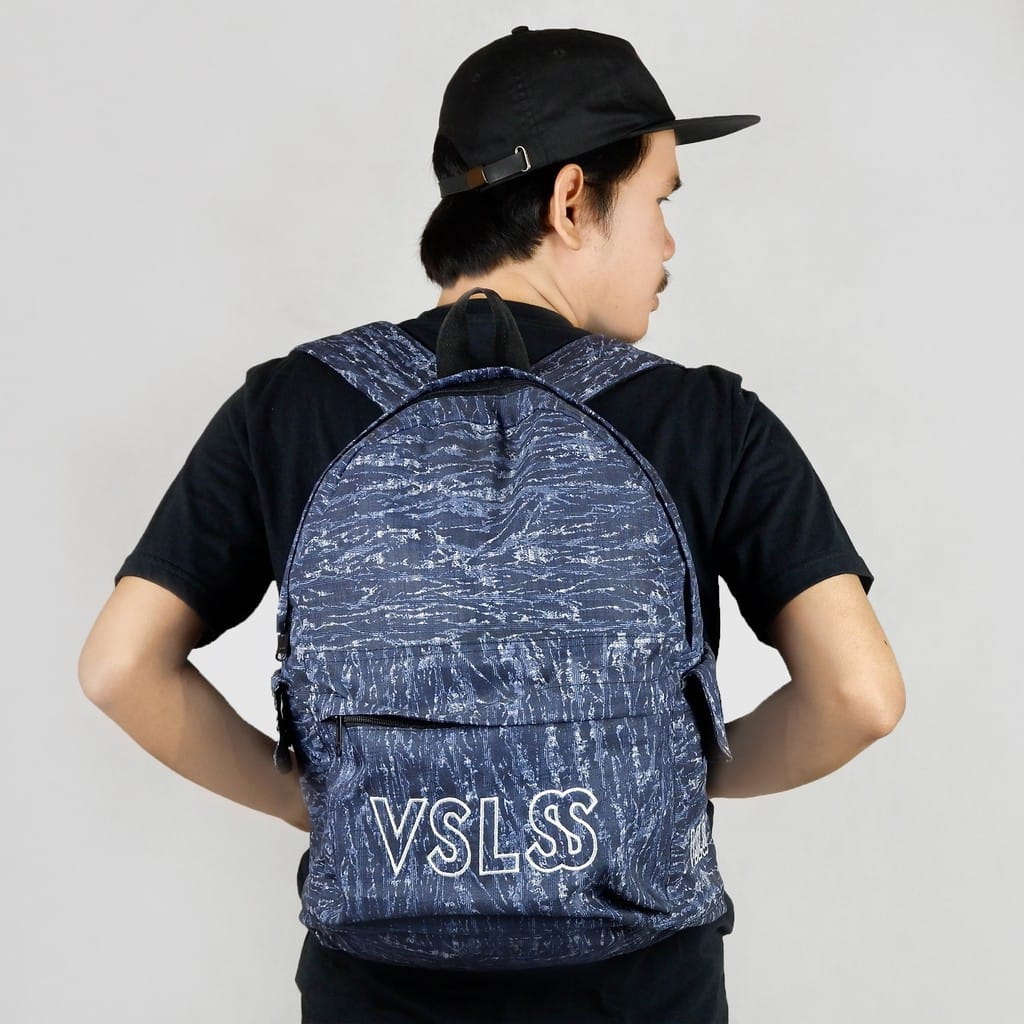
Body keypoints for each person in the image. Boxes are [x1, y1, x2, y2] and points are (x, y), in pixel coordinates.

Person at [78, 25, 905, 1024]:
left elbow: (119, 667)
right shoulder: (707, 419)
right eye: (660, 201)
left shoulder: (287, 406)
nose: (669, 244)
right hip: (637, 995)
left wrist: (311, 796)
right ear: (572, 201)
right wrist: (662, 776)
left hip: (373, 992)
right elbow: (859, 696)